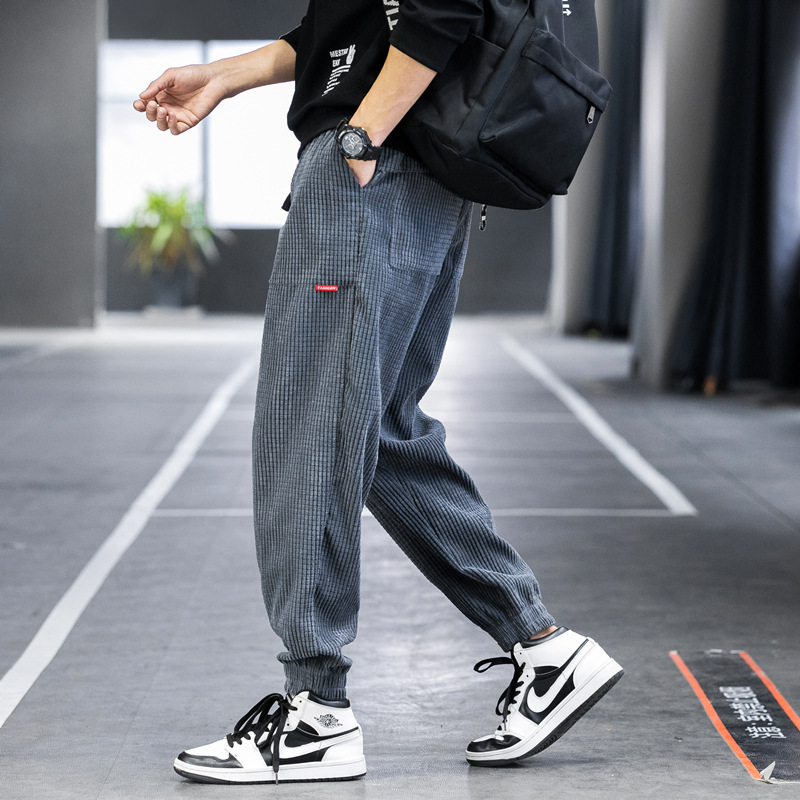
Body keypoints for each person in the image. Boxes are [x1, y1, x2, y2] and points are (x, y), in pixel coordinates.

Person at [134, 0, 623, 785]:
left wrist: (361, 136)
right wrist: (223, 76)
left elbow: (441, 6)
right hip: (427, 170)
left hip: (377, 165)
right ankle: (544, 647)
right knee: (380, 429)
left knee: (309, 426)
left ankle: (316, 712)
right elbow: (351, 25)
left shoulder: (369, 141)